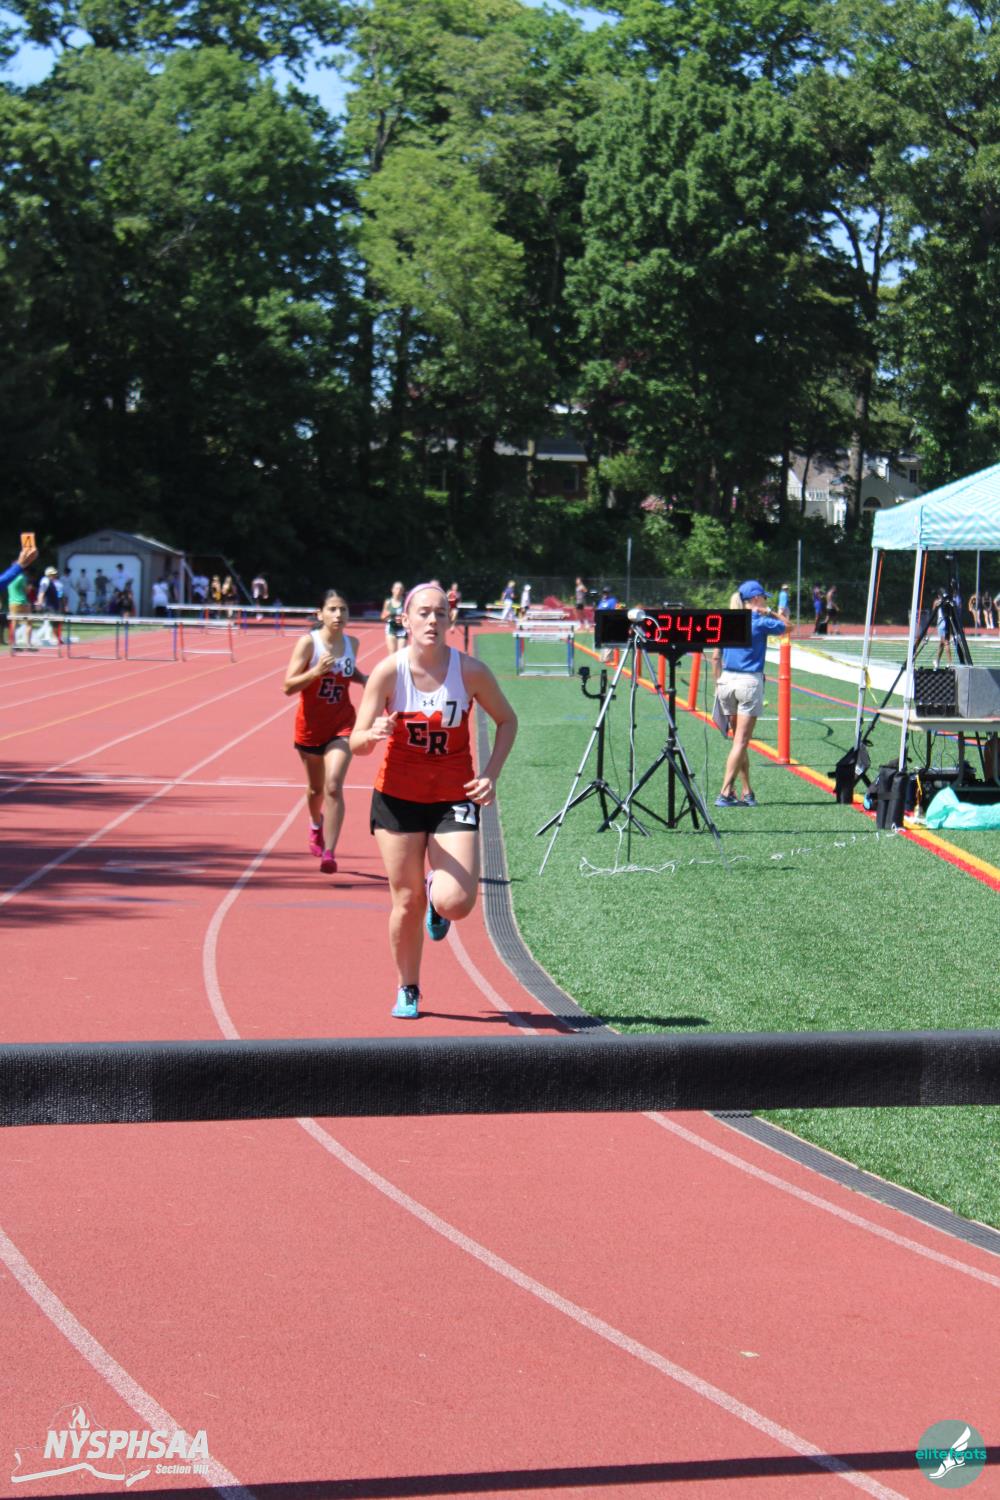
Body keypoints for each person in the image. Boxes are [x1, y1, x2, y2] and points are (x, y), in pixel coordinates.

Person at [350, 583, 517, 1020]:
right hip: (398, 798)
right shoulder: (389, 672)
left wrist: (490, 775)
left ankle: (435, 890)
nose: (432, 620)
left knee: (456, 902)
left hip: (452, 796)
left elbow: (507, 721)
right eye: (423, 613)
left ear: (451, 621)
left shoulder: (471, 672)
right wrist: (372, 734)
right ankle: (408, 986)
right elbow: (356, 742)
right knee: (406, 902)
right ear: (405, 620)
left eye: (441, 613)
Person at [284, 589, 369, 875]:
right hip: (310, 727)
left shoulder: (352, 643)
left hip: (342, 724)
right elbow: (288, 687)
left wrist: (364, 678)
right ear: (320, 614)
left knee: (333, 786)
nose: (338, 614)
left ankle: (330, 852)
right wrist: (315, 672)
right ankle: (315, 823)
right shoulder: (308, 644)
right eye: (332, 609)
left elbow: (348, 669)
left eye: (343, 609)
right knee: (315, 789)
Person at [711, 580, 789, 808]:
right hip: (748, 682)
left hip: (726, 680)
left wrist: (717, 683)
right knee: (741, 741)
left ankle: (747, 791)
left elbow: (715, 656)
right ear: (756, 599)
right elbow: (789, 626)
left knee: (739, 741)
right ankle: (725, 792)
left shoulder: (728, 621)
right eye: (764, 598)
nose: (765, 601)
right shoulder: (761, 621)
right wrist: (770, 612)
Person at [2, 539, 38, 646]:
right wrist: (21, 564)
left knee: (13, 623)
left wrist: (20, 564)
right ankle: (28, 643)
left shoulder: (12, 577)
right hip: (23, 601)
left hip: (12, 602)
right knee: (29, 622)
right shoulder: (21, 577)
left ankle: (13, 643)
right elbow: (26, 590)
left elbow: (5, 580)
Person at [381, 581, 407, 654]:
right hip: (391, 628)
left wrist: (404, 619)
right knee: (392, 654)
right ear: (392, 590)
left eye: (401, 589)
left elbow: (409, 615)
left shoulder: (405, 602)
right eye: (397, 588)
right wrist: (387, 615)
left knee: (401, 653)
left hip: (402, 628)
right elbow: (382, 617)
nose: (399, 591)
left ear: (403, 591)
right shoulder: (388, 602)